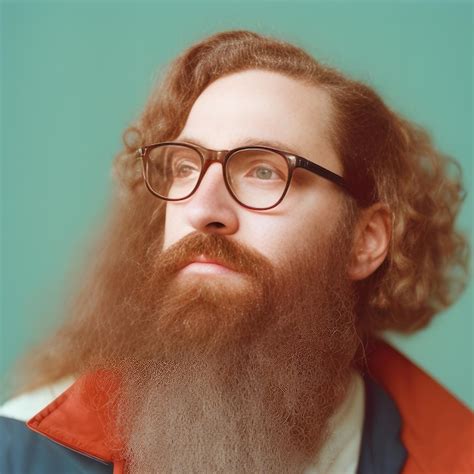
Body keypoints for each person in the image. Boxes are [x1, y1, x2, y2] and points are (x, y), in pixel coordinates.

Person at [0, 30, 472, 474]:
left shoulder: (456, 456)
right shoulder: (26, 450)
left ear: (364, 240)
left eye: (264, 171)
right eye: (185, 167)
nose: (202, 208)